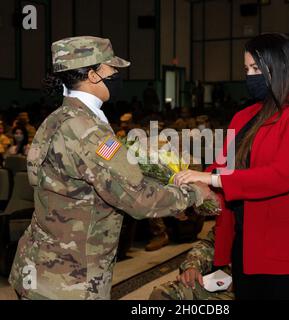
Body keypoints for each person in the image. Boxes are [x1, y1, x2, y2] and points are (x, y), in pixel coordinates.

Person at [9, 36, 212, 300]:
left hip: (38, 268)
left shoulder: (57, 119)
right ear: (92, 75)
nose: (116, 74)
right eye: (110, 68)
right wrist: (193, 194)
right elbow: (137, 199)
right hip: (71, 282)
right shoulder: (89, 131)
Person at [174, 33, 289, 300]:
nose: (250, 76)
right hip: (249, 249)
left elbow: (282, 175)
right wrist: (190, 191)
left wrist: (214, 179)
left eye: (257, 69)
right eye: (247, 69)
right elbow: (222, 166)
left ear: (283, 68)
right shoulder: (244, 116)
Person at [149, 227, 234, 300]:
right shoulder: (233, 215)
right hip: (227, 276)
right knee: (161, 294)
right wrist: (192, 266)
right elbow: (211, 243)